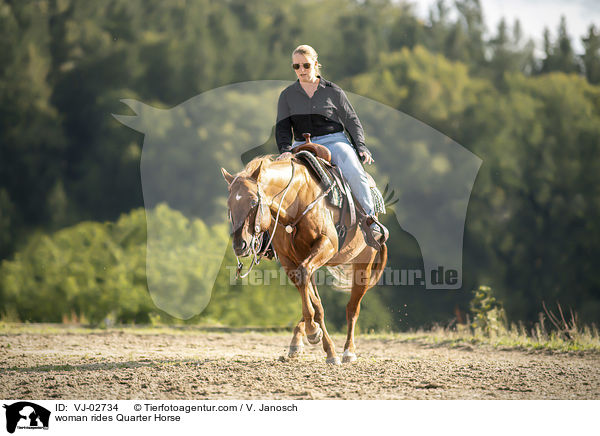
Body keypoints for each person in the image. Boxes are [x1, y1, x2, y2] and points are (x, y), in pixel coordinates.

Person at [275, 44, 388, 243]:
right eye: (296, 67)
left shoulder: (333, 91)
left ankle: (370, 221)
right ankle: (269, 237)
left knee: (353, 171)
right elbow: (282, 127)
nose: (301, 70)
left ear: (316, 65)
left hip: (334, 141)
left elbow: (352, 121)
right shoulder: (287, 95)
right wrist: (285, 150)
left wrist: (360, 147)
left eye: (306, 65)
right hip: (300, 144)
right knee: (278, 179)